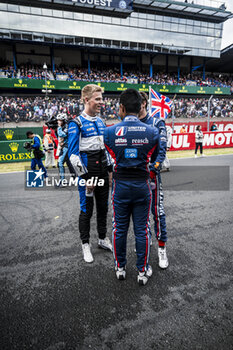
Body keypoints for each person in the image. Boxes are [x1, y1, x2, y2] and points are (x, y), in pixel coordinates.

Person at [104, 88, 160, 286]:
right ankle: (142, 271)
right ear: (141, 106)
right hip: (142, 185)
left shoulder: (109, 132)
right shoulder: (153, 131)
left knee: (119, 229)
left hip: (120, 185)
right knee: (142, 229)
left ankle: (120, 268)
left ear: (121, 107)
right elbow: (153, 158)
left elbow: (109, 157)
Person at [68, 84, 112, 263]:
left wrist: (109, 170)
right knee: (87, 211)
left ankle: (102, 239)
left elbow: (106, 149)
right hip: (87, 174)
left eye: (102, 98)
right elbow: (72, 155)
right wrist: (85, 178)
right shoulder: (76, 123)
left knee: (103, 208)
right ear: (87, 100)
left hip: (102, 172)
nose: (102, 102)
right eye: (98, 99)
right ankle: (85, 244)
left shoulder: (101, 122)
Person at [138, 92, 169, 270]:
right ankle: (146, 240)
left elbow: (162, 150)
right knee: (140, 214)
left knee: (157, 212)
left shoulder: (157, 122)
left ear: (143, 103)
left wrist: (153, 170)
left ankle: (162, 249)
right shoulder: (131, 123)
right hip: (135, 178)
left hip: (151, 176)